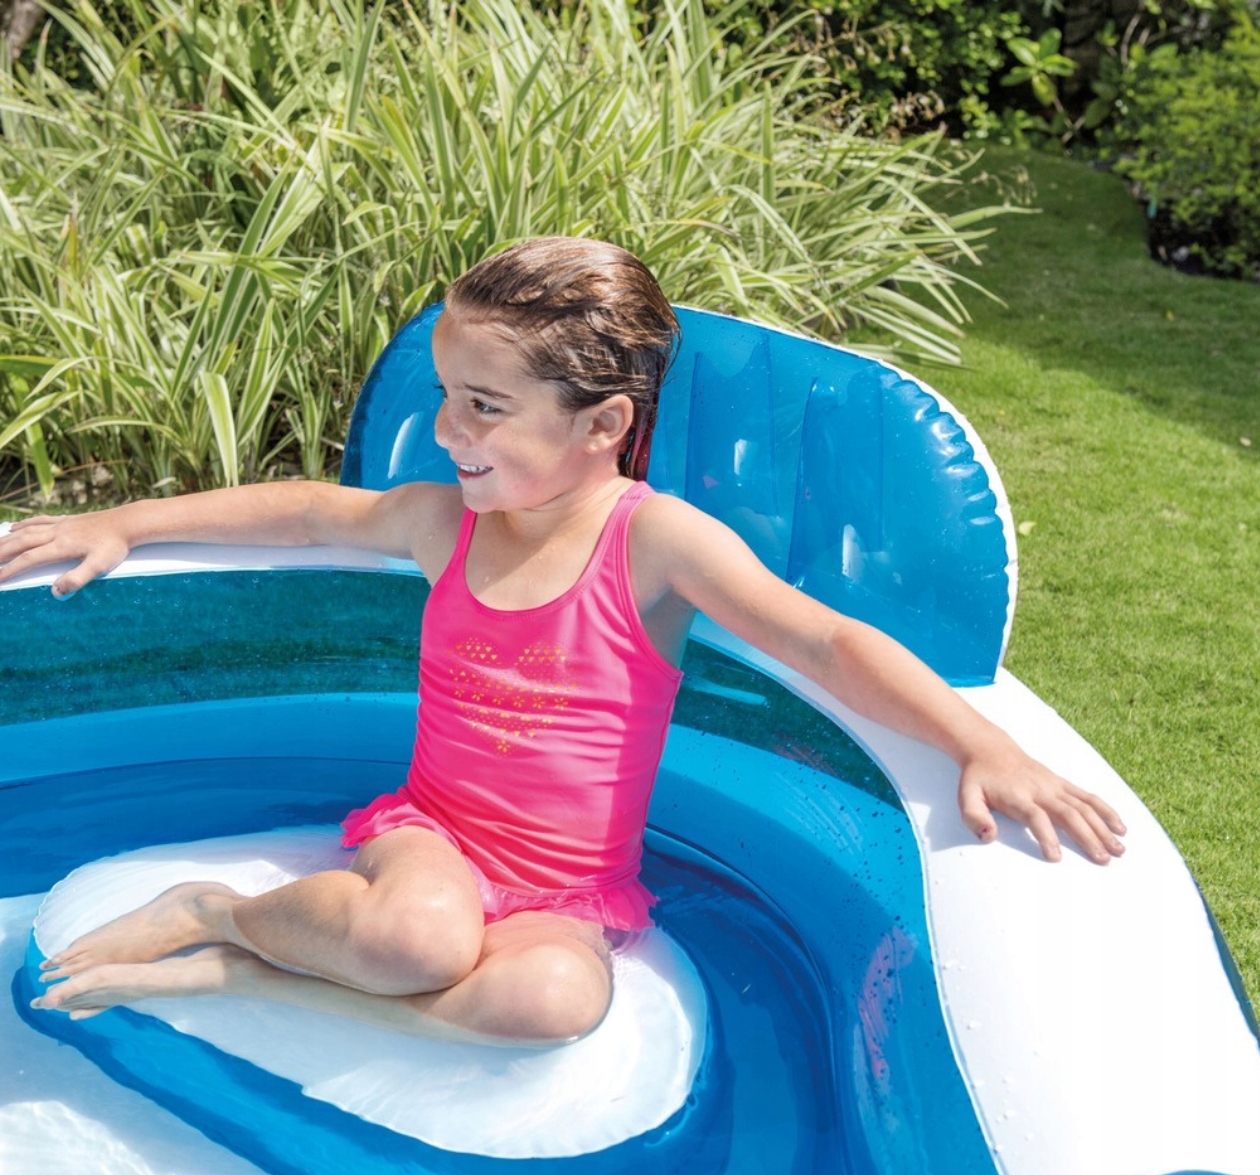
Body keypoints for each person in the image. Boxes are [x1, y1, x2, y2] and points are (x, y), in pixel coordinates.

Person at [0, 238, 1125, 1046]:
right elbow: (304, 512)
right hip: (433, 841)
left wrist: (983, 744)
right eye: (448, 395)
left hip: (572, 891)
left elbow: (826, 643)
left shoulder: (657, 545)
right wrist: (128, 522)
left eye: (484, 406)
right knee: (416, 941)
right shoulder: (446, 522)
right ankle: (219, 912)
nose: (447, 429)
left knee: (549, 1008)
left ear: (603, 425)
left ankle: (245, 973)